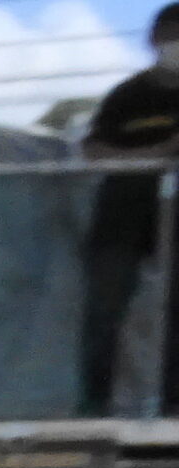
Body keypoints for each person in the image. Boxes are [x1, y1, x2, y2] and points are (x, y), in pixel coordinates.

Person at [79, 4, 179, 416]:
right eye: (171, 36)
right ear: (154, 40)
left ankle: (173, 405)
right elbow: (93, 150)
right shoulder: (127, 96)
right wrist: (157, 154)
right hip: (121, 217)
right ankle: (93, 404)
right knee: (104, 310)